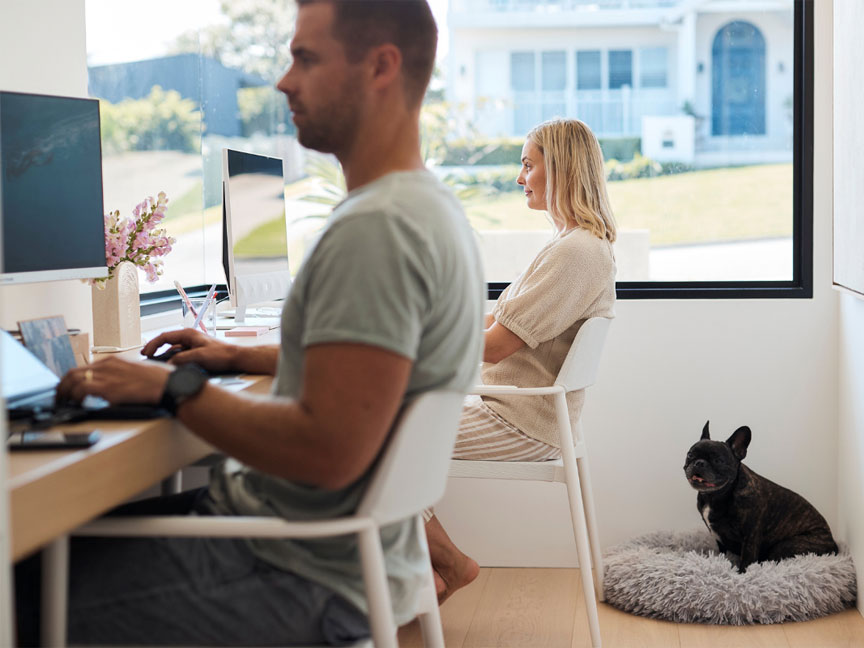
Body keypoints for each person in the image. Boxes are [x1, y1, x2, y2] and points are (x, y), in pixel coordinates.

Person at [15, 1, 484, 645]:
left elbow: (328, 450)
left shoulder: (377, 230)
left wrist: (170, 389)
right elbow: (362, 379)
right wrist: (233, 359)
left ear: (381, 66)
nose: (283, 81)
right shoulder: (427, 210)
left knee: (13, 592)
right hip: (343, 556)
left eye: (305, 58)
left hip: (293, 571)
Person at [424, 118, 618, 603]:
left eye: (528, 165)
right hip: (513, 408)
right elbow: (495, 330)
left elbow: (493, 346)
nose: (519, 178)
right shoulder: (568, 246)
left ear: (563, 169)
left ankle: (444, 566)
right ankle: (417, 580)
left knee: (371, 443)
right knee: (376, 430)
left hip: (520, 420)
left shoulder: (577, 253)